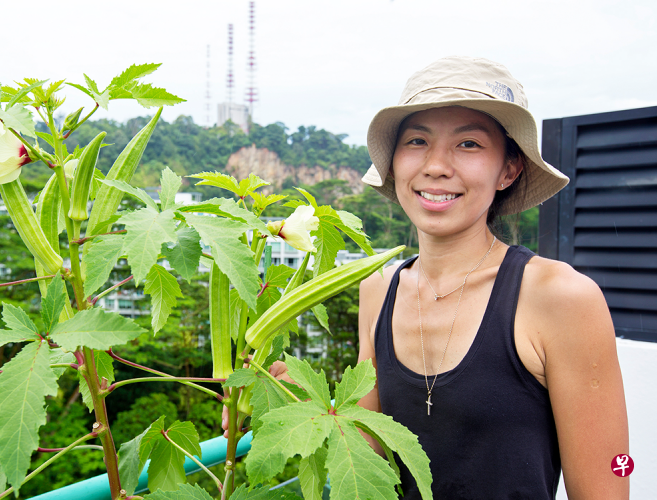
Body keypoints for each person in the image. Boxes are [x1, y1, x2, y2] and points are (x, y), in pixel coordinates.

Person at [234, 56, 629, 499]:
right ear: (395, 162)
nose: (436, 165)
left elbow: (608, 485)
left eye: (469, 144)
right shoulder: (378, 290)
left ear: (509, 169)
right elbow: (374, 447)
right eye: (417, 141)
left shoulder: (561, 297)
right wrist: (293, 402)